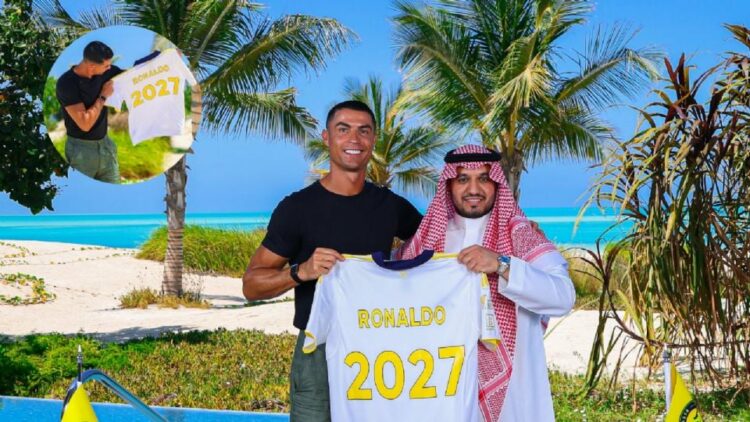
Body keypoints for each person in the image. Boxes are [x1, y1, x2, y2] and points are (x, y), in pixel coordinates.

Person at [242, 100, 422, 421]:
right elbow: (251, 285)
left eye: (363, 131)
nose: (354, 139)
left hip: (379, 348)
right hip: (319, 350)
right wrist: (301, 271)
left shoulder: (390, 207)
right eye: (343, 129)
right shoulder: (297, 209)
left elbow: (440, 244)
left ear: (374, 139)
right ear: (326, 138)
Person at [398, 144, 576, 421]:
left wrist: (502, 265)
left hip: (513, 395)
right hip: (442, 390)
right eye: (462, 179)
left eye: (483, 178)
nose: (473, 189)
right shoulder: (426, 242)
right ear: (449, 184)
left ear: (496, 183)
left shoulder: (521, 235)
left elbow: (563, 297)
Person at [56, 41, 123, 183]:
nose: (110, 68)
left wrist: (159, 61)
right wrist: (103, 96)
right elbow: (85, 124)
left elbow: (134, 76)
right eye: (106, 66)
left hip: (105, 146)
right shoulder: (67, 83)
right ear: (92, 66)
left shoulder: (107, 71)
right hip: (81, 152)